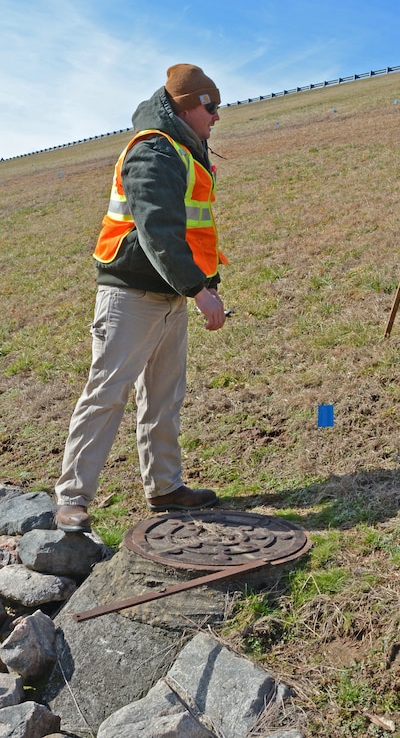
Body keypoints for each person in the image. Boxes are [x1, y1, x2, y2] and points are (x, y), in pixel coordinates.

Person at [55, 63, 228, 532]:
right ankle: (72, 497)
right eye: (212, 107)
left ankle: (165, 486)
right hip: (131, 296)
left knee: (164, 397)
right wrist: (198, 290)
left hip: (168, 294)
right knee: (107, 394)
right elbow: (159, 232)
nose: (217, 117)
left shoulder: (184, 151)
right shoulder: (152, 151)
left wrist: (204, 282)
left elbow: (192, 232)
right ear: (190, 105)